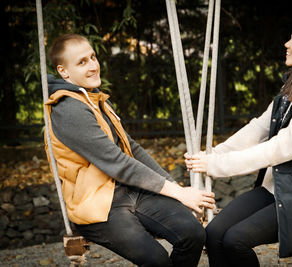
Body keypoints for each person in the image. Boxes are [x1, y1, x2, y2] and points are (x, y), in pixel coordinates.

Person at [185, 20, 292, 266]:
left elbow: (277, 149)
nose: (286, 44)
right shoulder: (290, 88)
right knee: (214, 233)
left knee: (234, 241)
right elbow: (257, 129)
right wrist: (211, 155)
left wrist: (216, 166)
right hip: (276, 188)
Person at [44, 33, 215, 267]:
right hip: (97, 206)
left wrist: (175, 187)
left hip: (129, 192)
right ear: (63, 72)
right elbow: (117, 162)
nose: (94, 66)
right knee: (156, 260)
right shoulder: (68, 110)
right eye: (82, 62)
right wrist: (179, 194)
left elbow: (131, 149)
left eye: (93, 57)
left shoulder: (97, 101)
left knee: (193, 234)